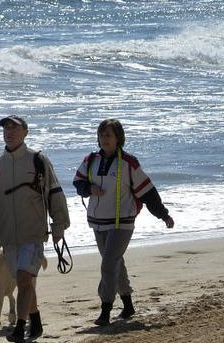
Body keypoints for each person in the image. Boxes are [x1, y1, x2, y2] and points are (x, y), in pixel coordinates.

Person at [72, 118, 175, 327]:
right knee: (115, 262)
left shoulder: (129, 163)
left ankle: (105, 309)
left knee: (109, 263)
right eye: (101, 135)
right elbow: (78, 182)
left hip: (122, 223)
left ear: (118, 138)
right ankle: (128, 304)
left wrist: (163, 215)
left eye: (108, 135)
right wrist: (89, 189)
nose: (104, 139)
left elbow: (148, 192)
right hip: (97, 222)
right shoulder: (91, 160)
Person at [0, 115, 70, 343]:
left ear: (25, 132)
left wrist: (59, 225)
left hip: (33, 232)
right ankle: (36, 321)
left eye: (14, 127)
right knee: (26, 282)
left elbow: (54, 192)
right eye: (5, 128)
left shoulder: (38, 160)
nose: (8, 131)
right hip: (6, 236)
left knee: (23, 279)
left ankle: (20, 327)